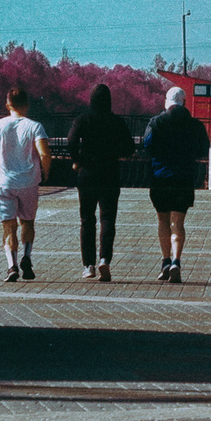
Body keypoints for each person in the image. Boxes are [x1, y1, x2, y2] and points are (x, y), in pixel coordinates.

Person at [0, 87, 52, 281]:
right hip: (28, 182)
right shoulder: (35, 126)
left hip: (4, 183)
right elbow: (44, 153)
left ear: (7, 104)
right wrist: (45, 172)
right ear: (26, 105)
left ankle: (11, 266)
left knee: (8, 226)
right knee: (27, 222)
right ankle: (26, 258)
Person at [65, 83, 134, 282]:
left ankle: (89, 265)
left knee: (87, 220)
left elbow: (71, 141)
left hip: (87, 174)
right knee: (108, 219)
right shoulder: (116, 121)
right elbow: (129, 147)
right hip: (110, 173)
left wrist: (77, 160)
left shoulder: (82, 120)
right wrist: (115, 153)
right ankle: (105, 259)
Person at [144, 86, 210, 282]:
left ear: (167, 102)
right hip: (184, 177)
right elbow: (203, 148)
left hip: (160, 177)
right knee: (178, 223)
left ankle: (165, 261)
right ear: (184, 102)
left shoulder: (156, 122)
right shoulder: (195, 125)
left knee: (163, 221)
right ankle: (176, 261)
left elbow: (147, 145)